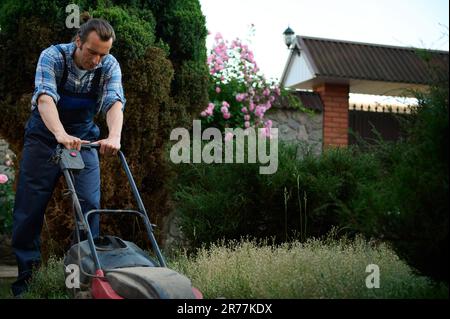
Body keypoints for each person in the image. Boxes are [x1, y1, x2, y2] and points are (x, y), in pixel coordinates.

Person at [11, 18, 126, 297]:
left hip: (83, 137)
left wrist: (114, 136)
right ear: (78, 42)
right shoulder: (53, 57)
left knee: (88, 205)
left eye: (103, 53)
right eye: (92, 52)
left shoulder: (108, 65)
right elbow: (46, 98)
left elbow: (114, 101)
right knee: (31, 205)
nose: (97, 59)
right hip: (45, 136)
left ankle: (83, 280)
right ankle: (28, 280)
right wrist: (60, 133)